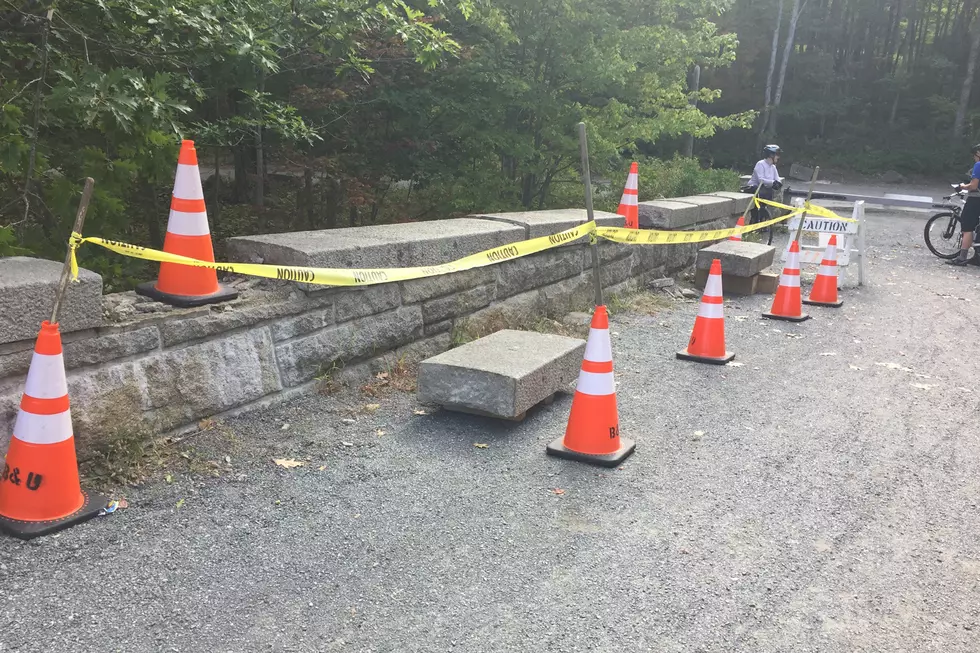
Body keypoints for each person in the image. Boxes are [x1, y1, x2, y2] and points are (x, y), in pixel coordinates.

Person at [948, 144, 980, 266]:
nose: (974, 158)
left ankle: (962, 258)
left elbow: (973, 186)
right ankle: (977, 257)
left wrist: (961, 186)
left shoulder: (978, 165)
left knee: (967, 227)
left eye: (974, 155)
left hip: (976, 199)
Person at [747, 144, 783, 224]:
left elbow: (777, 178)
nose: (778, 157)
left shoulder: (773, 167)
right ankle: (754, 221)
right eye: (777, 155)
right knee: (756, 210)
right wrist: (772, 182)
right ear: (771, 155)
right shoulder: (760, 164)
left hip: (765, 190)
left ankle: (763, 220)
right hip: (755, 189)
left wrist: (778, 183)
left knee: (766, 203)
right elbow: (761, 179)